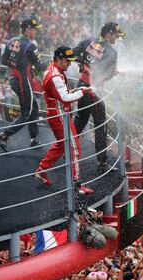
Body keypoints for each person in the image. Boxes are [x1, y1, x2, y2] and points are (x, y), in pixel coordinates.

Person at [33, 46, 93, 195]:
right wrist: (82, 91)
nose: (69, 64)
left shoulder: (54, 71)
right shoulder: (55, 76)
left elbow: (60, 94)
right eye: (67, 61)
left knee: (61, 145)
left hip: (58, 114)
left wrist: (75, 91)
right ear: (59, 59)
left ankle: (41, 170)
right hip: (59, 116)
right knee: (75, 148)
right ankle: (77, 185)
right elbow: (65, 98)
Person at [73, 22, 125, 172]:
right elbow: (106, 74)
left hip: (81, 85)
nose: (116, 38)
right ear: (108, 34)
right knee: (101, 124)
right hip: (93, 90)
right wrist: (113, 73)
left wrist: (82, 63)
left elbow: (74, 52)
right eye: (116, 35)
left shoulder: (89, 40)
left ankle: (66, 151)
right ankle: (102, 162)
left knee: (80, 120)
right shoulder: (111, 52)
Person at [0, 17, 46, 152]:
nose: (36, 32)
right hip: (24, 82)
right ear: (28, 29)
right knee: (26, 113)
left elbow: (4, 60)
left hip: (13, 79)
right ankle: (4, 136)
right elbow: (40, 66)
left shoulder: (11, 41)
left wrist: (17, 66)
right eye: (35, 30)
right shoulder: (30, 45)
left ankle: (34, 139)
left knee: (34, 108)